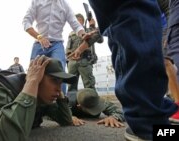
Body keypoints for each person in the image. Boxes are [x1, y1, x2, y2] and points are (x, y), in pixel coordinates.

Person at [68, 0, 178, 140]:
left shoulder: (93, 99)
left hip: (162, 25)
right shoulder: (69, 103)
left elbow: (113, 109)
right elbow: (108, 26)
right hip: (156, 24)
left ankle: (150, 124)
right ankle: (151, 123)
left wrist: (168, 35)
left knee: (125, 8)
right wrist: (68, 117)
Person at [22, 0, 87, 94]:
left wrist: (83, 34)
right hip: (39, 43)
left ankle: (61, 102)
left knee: (59, 70)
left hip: (57, 44)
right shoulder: (36, 2)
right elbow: (26, 22)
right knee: (34, 71)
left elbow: (76, 25)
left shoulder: (65, 5)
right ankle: (31, 100)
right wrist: (39, 37)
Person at [66, 14, 103, 91]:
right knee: (71, 86)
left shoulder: (89, 30)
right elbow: (68, 48)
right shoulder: (71, 33)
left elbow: (100, 40)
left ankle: (91, 102)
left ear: (82, 21)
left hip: (85, 60)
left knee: (89, 85)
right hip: (72, 62)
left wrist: (93, 27)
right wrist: (68, 58)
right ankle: (72, 102)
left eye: (77, 21)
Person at [158, 0, 179, 124]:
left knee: (166, 61)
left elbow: (168, 9)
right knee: (162, 63)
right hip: (159, 30)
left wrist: (168, 33)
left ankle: (177, 102)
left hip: (168, 26)